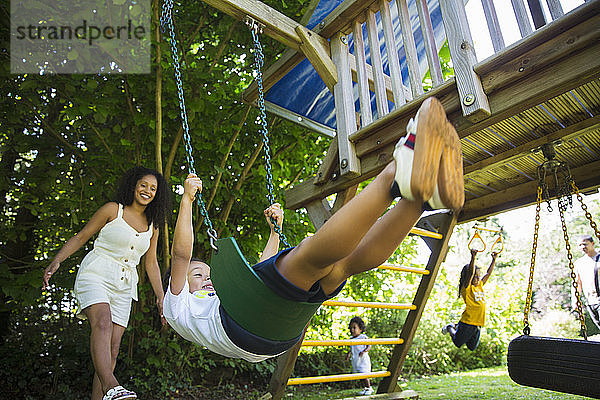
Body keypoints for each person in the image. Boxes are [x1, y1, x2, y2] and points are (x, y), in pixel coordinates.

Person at [164, 97, 464, 362]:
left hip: (274, 330)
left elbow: (259, 273)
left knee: (340, 266)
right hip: (242, 325)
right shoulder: (176, 303)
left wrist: (273, 234)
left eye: (205, 273)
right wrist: (188, 200)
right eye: (198, 275)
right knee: (310, 254)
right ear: (174, 285)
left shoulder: (225, 297)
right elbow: (180, 256)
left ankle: (420, 201)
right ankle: (395, 175)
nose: (207, 279)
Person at [43, 166, 170, 400]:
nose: (147, 191)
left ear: (157, 195)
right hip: (96, 273)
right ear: (133, 185)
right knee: (102, 323)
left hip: (124, 286)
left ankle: (104, 394)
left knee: (112, 350)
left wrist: (161, 297)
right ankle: (112, 386)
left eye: (153, 188)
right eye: (143, 185)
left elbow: (150, 263)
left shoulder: (154, 226)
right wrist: (57, 261)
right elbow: (82, 236)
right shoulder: (113, 210)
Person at [443, 249, 498, 351]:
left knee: (471, 347)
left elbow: (488, 274)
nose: (477, 278)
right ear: (470, 277)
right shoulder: (467, 288)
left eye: (478, 276)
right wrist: (473, 257)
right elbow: (470, 273)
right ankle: (450, 327)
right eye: (475, 276)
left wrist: (493, 260)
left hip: (478, 323)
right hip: (468, 322)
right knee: (457, 342)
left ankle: (457, 327)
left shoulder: (480, 285)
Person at [573, 235, 600, 331]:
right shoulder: (579, 263)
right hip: (590, 301)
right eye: (580, 245)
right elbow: (577, 283)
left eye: (585, 244)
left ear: (592, 243)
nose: (582, 247)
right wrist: (575, 300)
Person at [345, 316, 373, 395]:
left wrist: (364, 351)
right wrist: (348, 355)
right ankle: (365, 388)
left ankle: (369, 388)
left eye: (354, 328)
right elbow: (351, 348)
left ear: (360, 329)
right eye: (351, 328)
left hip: (363, 360)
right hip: (356, 360)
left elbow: (369, 345)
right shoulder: (351, 339)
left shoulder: (363, 337)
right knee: (360, 376)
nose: (352, 330)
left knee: (364, 374)